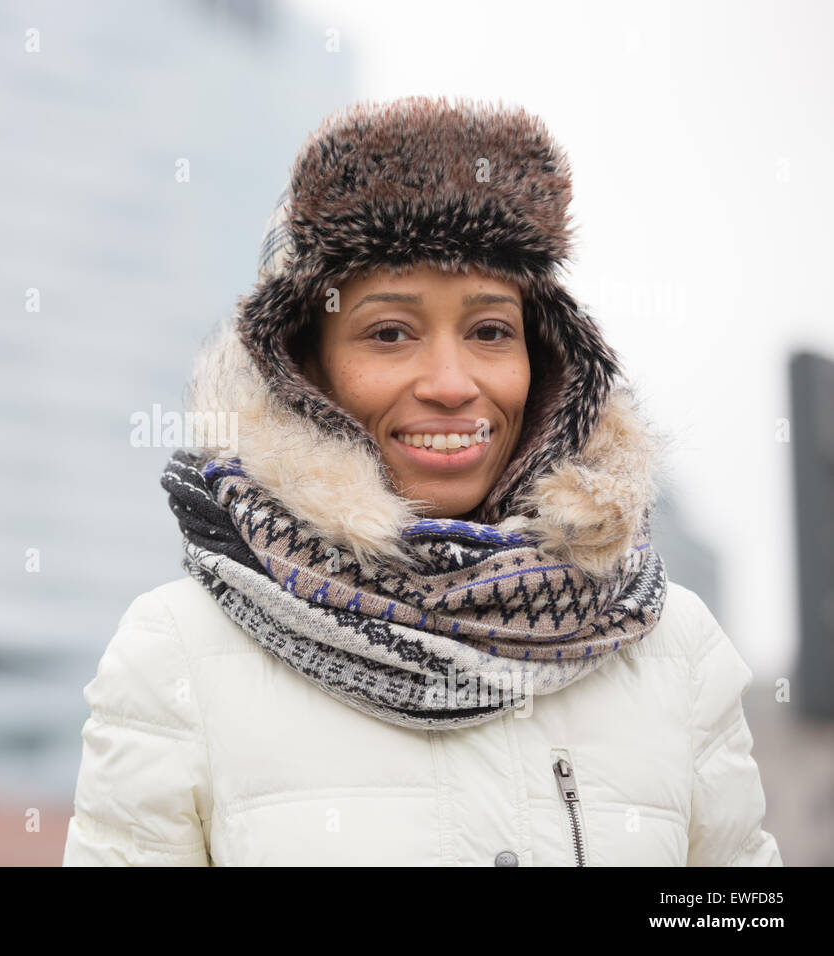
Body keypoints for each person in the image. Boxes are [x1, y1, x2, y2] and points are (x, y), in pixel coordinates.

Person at [61, 96, 782, 866]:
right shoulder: (177, 655)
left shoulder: (676, 650)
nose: (450, 382)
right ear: (305, 367)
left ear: (545, 361)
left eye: (489, 332)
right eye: (390, 333)